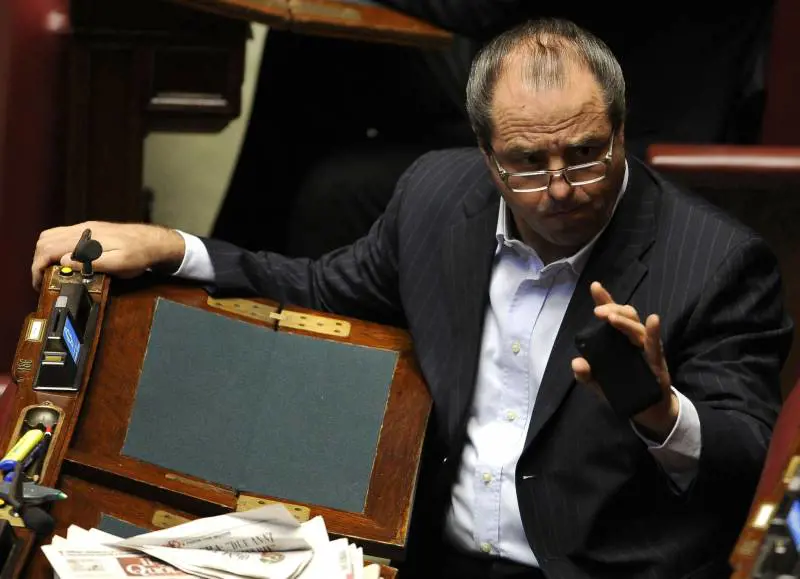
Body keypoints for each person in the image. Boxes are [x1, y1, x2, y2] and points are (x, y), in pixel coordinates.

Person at [32, 19, 792, 579]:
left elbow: (748, 464)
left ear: (621, 132)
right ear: (487, 155)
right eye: (528, 163)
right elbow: (320, 290)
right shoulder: (435, 196)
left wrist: (660, 412)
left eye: (587, 154)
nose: (561, 188)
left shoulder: (718, 262)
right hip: (430, 561)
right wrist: (172, 245)